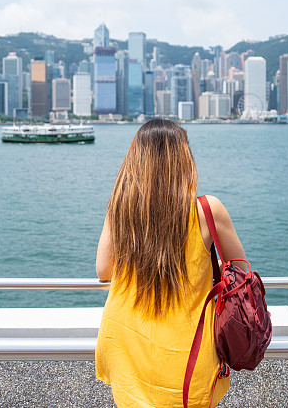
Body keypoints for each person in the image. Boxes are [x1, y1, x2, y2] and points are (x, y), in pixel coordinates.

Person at [95, 118, 247, 408]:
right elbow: (240, 270)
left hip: (127, 344)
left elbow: (104, 270)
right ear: (184, 158)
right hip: (189, 349)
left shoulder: (122, 206)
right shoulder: (207, 209)